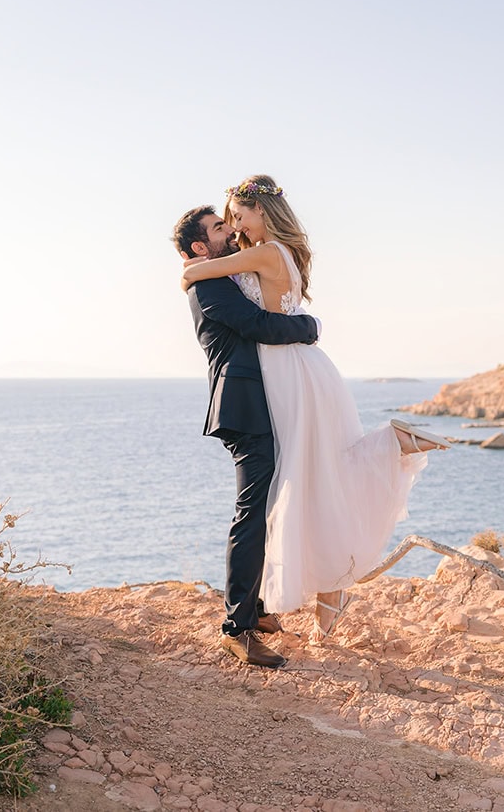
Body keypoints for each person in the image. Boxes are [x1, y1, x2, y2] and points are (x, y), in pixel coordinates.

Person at [181, 176, 451, 642]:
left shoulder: (265, 252)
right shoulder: (280, 251)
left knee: (302, 476)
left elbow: (199, 278)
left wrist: (188, 269)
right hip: (300, 367)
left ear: (260, 211)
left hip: (285, 369)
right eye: (226, 221)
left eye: (238, 215)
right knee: (315, 473)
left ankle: (389, 449)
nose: (234, 225)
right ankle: (331, 582)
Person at [172, 206, 320, 668]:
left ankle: (254, 609)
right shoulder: (208, 282)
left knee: (271, 501)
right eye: (220, 228)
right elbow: (257, 326)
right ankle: (236, 628)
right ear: (200, 247)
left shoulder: (224, 270)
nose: (230, 230)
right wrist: (308, 327)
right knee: (252, 510)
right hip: (243, 405)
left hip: (264, 400)